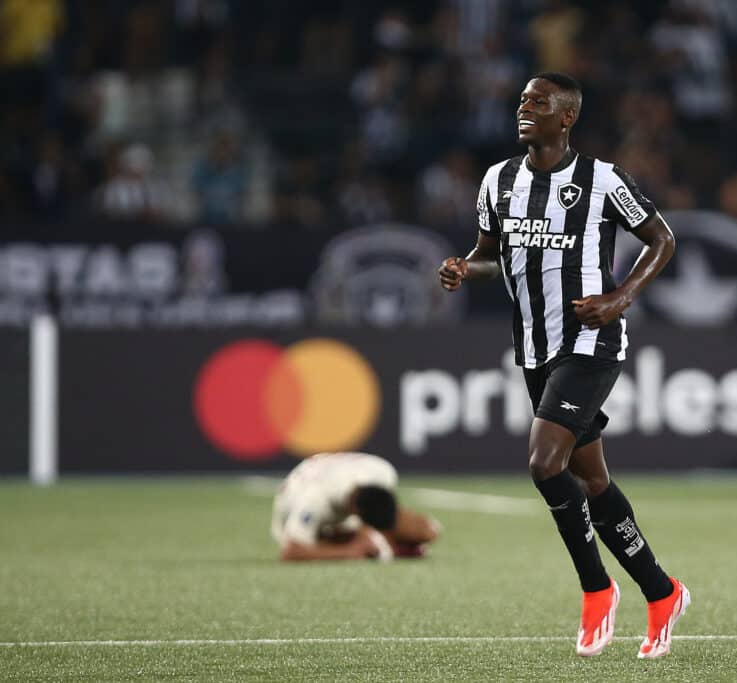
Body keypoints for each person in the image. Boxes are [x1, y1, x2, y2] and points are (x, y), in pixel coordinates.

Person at [437, 72, 689, 659]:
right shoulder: (497, 181)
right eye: (522, 100)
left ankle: (597, 589)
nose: (525, 108)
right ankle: (662, 591)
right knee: (593, 480)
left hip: (590, 341)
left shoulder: (601, 180)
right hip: (534, 348)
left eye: (538, 101)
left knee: (544, 462)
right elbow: (488, 256)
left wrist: (618, 298)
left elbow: (662, 239)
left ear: (566, 117)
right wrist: (459, 269)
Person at [271, 451, 440, 562]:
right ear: (355, 513)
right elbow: (290, 552)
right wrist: (351, 551)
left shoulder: (382, 472)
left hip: (341, 495)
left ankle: (382, 543)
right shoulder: (314, 500)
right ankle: (375, 543)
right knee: (321, 546)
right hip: (297, 514)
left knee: (427, 532)